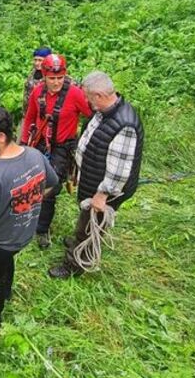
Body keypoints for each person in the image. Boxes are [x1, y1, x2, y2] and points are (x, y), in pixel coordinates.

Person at [0, 107, 58, 330]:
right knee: (6, 261)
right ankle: (7, 292)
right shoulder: (34, 154)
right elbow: (53, 183)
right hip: (23, 235)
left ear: (1, 137)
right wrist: (31, 201)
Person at [48, 71, 144, 279]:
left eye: (89, 98)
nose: (87, 102)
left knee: (90, 226)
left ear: (99, 95)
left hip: (103, 189)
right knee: (86, 220)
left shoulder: (124, 125)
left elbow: (119, 169)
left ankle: (76, 264)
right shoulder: (105, 111)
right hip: (92, 178)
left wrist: (103, 195)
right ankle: (79, 241)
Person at [21, 54, 92, 249]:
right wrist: (23, 143)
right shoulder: (38, 92)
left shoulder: (75, 94)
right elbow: (30, 118)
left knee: (50, 188)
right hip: (40, 142)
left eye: (60, 78)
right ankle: (32, 211)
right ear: (44, 76)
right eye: (52, 78)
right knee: (32, 181)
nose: (56, 83)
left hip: (62, 147)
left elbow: (92, 116)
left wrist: (86, 138)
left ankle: (42, 230)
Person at [21, 46, 51, 137]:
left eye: (40, 60)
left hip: (41, 115)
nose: (37, 63)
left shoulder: (51, 76)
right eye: (35, 60)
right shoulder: (33, 72)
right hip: (27, 113)